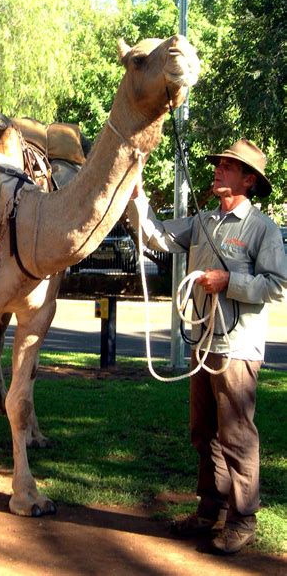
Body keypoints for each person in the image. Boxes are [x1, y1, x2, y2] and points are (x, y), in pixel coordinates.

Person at [126, 138, 287, 555]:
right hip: (202, 343)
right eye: (218, 163)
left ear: (249, 180)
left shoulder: (262, 228)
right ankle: (209, 509)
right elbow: (157, 237)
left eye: (228, 166)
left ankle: (242, 519)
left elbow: (278, 285)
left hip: (238, 348)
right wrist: (139, 195)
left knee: (236, 435)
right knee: (203, 432)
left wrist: (227, 282)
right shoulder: (202, 221)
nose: (217, 169)